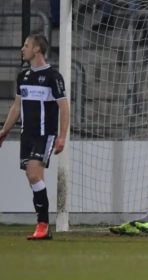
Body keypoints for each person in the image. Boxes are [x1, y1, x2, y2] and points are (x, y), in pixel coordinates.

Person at [0, 34, 70, 240]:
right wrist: (4, 130)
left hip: (44, 134)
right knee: (34, 178)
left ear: (37, 49)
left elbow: (64, 107)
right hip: (26, 135)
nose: (23, 49)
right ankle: (44, 227)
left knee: (33, 174)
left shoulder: (53, 77)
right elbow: (16, 106)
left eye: (26, 45)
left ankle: (42, 224)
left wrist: (62, 136)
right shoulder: (23, 77)